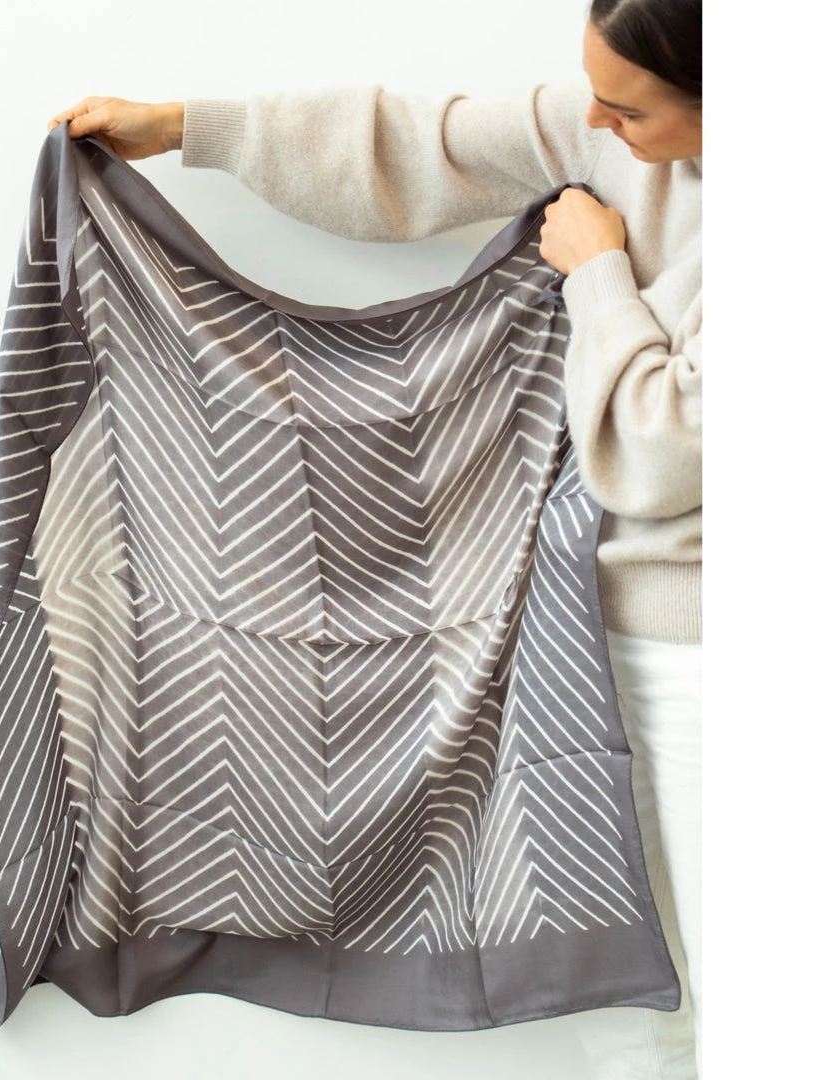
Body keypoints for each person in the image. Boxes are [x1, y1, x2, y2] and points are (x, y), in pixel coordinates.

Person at [47, 1, 702, 1075]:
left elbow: (662, 450)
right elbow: (415, 146)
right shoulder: (616, 139)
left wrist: (596, 272)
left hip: (705, 666)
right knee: (628, 1007)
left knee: (733, 982)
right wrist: (184, 127)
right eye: (592, 94)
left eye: (627, 110)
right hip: (579, 647)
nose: (595, 122)